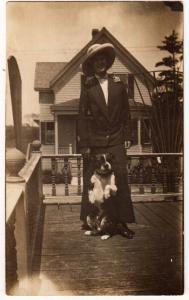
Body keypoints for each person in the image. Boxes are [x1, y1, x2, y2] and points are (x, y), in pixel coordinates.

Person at [77, 43, 135, 238]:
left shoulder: (119, 83)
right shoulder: (88, 86)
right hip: (95, 140)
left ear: (107, 62)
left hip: (117, 138)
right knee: (93, 182)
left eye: (103, 59)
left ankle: (121, 223)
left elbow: (126, 113)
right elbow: (82, 117)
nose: (100, 63)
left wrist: (127, 135)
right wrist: (84, 144)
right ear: (92, 64)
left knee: (120, 179)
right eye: (96, 60)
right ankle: (92, 220)